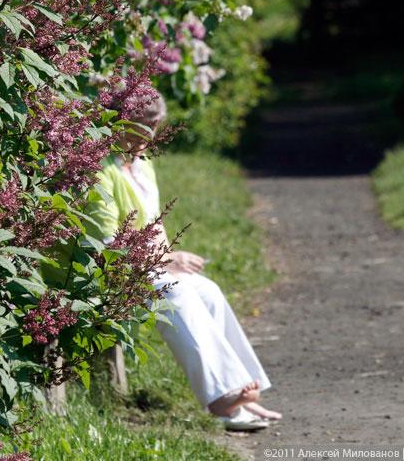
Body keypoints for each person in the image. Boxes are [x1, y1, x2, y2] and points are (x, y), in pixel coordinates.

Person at [85, 89, 281, 431]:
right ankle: (223, 399)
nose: (150, 132)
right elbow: (104, 242)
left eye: (152, 124)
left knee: (206, 290)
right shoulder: (101, 170)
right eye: (143, 124)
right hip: (111, 268)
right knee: (175, 292)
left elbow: (154, 223)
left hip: (144, 263)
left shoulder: (142, 165)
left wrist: (167, 256)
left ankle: (244, 390)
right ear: (118, 122)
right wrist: (164, 260)